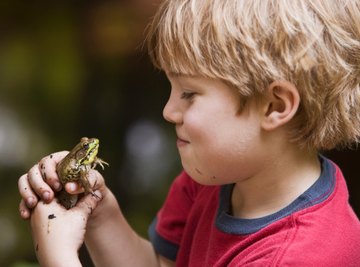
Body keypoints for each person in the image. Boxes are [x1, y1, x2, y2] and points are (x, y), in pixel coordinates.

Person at [18, 0, 360, 266]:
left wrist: (60, 259)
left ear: (274, 106)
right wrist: (98, 212)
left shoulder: (292, 258)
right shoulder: (212, 176)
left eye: (189, 93)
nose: (168, 111)